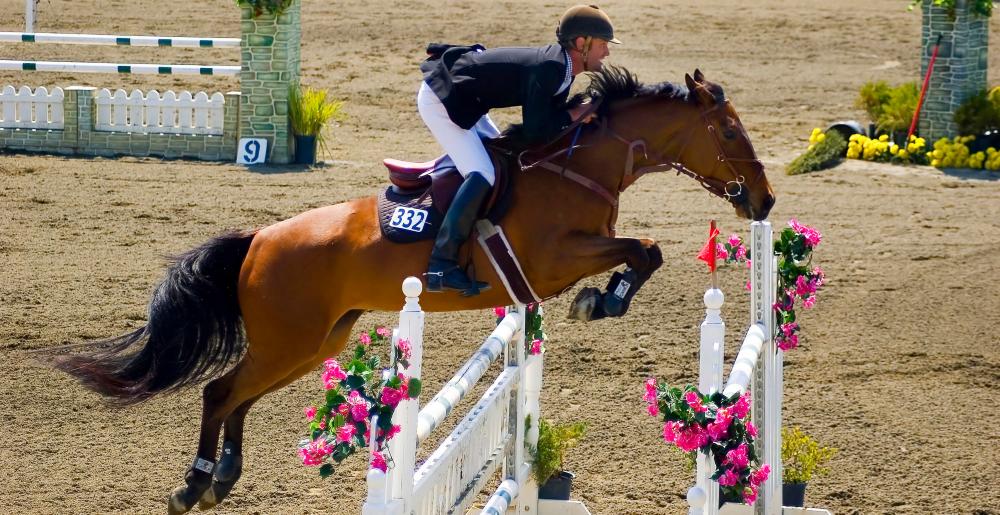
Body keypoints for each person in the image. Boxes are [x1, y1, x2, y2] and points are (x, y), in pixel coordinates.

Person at [418, 4, 620, 295]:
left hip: (468, 104)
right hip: (442, 100)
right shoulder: (552, 67)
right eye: (603, 45)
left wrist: (576, 111)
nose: (607, 52)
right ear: (581, 44)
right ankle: (441, 263)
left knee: (504, 162)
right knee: (483, 173)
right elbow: (537, 130)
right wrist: (577, 114)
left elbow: (547, 121)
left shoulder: (563, 67)